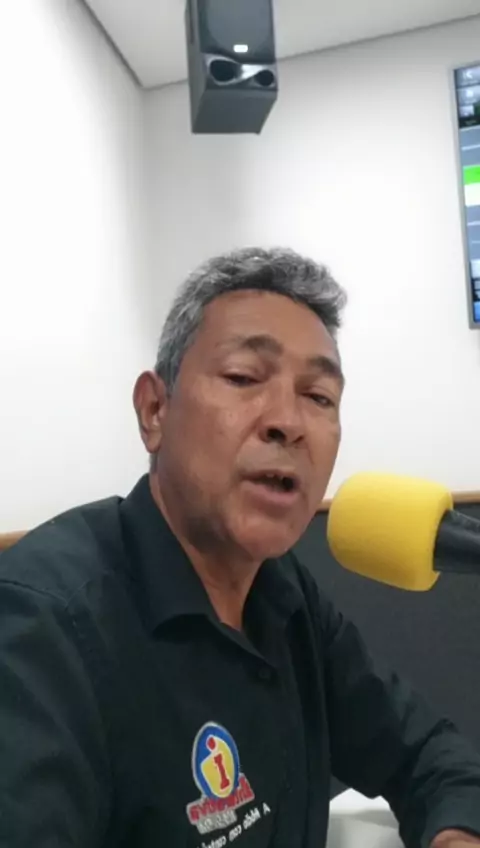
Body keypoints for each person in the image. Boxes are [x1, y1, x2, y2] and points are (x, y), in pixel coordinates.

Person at [1, 247, 480, 848]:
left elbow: (426, 753)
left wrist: (455, 835)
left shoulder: (286, 594)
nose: (288, 422)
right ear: (155, 410)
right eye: (244, 378)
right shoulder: (42, 627)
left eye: (319, 397)